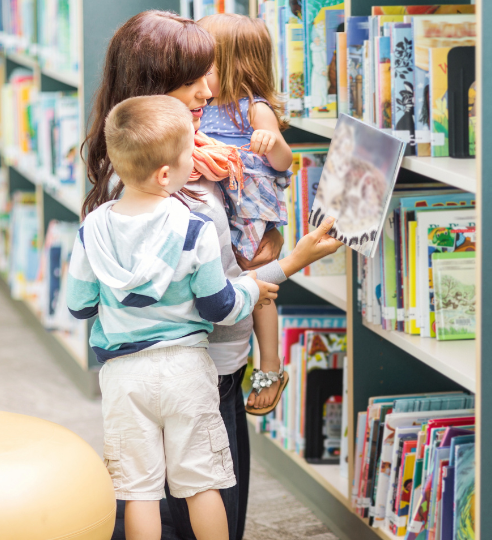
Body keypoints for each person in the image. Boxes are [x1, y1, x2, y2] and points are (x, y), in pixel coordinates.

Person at [82, 11, 342, 540]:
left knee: (148, 495)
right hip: (203, 369)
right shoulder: (181, 190)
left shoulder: (145, 163)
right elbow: (218, 298)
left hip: (166, 367)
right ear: (155, 87)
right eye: (194, 78)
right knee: (200, 502)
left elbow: (84, 302)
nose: (209, 90)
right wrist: (292, 260)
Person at [67, 95, 279, 540]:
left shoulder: (92, 229)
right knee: (202, 483)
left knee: (139, 490)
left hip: (124, 375)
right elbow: (217, 307)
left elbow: (80, 306)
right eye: (190, 154)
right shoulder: (193, 228)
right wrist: (252, 290)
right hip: (186, 370)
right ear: (166, 174)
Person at [195, 13, 293, 415]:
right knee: (230, 282)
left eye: (205, 64)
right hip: (222, 202)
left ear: (233, 65)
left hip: (249, 209)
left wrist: (270, 143)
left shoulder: (254, 109)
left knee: (257, 287)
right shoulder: (203, 103)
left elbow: (285, 162)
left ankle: (270, 364)